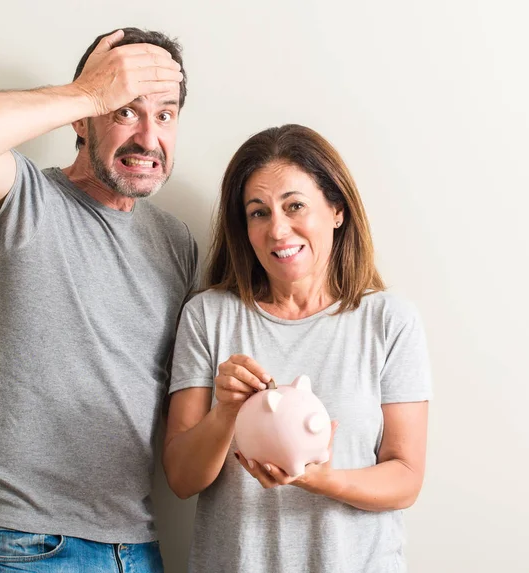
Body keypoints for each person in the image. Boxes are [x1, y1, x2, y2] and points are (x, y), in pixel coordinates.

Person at [0, 27, 197, 573]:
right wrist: (86, 92)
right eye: (126, 110)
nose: (149, 138)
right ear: (81, 121)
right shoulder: (25, 198)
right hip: (23, 542)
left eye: (166, 114)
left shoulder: (176, 242)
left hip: (136, 546)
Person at [163, 124, 432, 573]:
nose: (278, 230)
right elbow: (181, 479)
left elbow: (406, 478)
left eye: (295, 206)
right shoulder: (208, 317)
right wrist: (225, 413)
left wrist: (321, 481)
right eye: (258, 212)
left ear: (336, 210)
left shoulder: (388, 321)